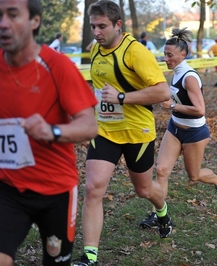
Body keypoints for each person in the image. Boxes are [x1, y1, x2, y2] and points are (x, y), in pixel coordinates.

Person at [0, 0, 98, 265]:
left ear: (35, 21)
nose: (3, 24)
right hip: (8, 188)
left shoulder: (57, 66)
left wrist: (52, 130)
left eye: (12, 15)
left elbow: (89, 126)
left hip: (55, 191)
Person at [74, 1, 172, 265]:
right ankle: (89, 256)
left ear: (118, 25)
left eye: (102, 26)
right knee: (93, 187)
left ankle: (162, 210)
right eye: (93, 26)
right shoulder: (96, 48)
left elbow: (163, 92)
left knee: (143, 190)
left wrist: (121, 96)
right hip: (105, 129)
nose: (96, 32)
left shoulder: (135, 52)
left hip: (137, 133)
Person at [139, 28, 217, 229]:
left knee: (194, 176)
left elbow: (199, 109)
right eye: (165, 54)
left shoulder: (189, 77)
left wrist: (172, 106)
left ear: (183, 55)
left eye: (170, 55)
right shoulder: (175, 74)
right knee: (161, 170)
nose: (166, 59)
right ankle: (158, 216)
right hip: (174, 128)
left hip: (194, 133)